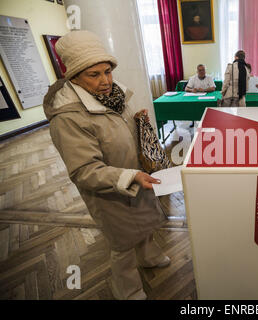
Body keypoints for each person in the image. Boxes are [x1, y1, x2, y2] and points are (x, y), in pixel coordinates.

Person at [43, 30, 170, 300]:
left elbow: (114, 130)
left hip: (136, 176)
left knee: (146, 224)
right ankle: (127, 290)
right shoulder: (68, 118)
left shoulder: (115, 95)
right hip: (110, 191)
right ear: (74, 76)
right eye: (95, 74)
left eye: (108, 71)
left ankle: (149, 256)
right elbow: (84, 170)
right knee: (122, 243)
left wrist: (136, 121)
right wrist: (129, 176)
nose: (106, 81)